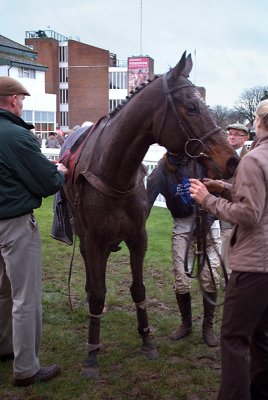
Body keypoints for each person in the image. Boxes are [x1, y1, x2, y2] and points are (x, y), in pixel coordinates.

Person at [189, 99, 268, 400]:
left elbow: (250, 214)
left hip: (254, 266)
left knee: (234, 338)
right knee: (261, 335)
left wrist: (207, 200)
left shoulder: (253, 158)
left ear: (258, 122)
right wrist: (223, 188)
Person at [0, 76, 68, 386]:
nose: (23, 106)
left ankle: (5, 347)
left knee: (1, 292)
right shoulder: (16, 135)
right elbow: (46, 183)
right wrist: (60, 172)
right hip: (14, 224)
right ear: (12, 100)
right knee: (25, 297)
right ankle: (26, 367)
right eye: (22, 101)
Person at [147, 152, 221, 347]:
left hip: (209, 220)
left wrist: (210, 219)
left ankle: (208, 327)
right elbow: (147, 199)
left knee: (210, 276)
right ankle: (186, 324)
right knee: (181, 280)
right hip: (182, 224)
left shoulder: (204, 161)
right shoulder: (163, 168)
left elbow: (220, 192)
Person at [220, 123, 249, 273]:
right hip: (218, 205)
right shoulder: (220, 153)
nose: (231, 136)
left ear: (245, 138)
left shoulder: (249, 157)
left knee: (233, 242)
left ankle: (230, 277)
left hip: (239, 206)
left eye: (236, 134)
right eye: (230, 133)